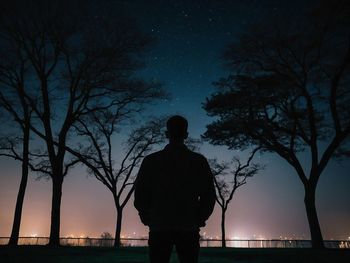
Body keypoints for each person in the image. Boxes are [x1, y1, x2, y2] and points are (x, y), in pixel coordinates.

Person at [134, 115, 216, 263]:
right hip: (188, 225)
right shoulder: (198, 161)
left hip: (159, 225)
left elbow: (140, 192)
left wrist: (147, 216)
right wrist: (200, 217)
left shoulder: (151, 161)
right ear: (186, 135)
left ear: (167, 134)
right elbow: (209, 194)